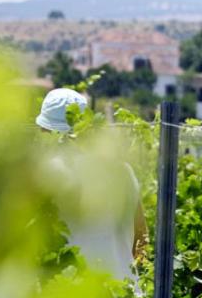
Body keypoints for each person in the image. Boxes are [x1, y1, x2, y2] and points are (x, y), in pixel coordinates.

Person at [37, 88, 148, 281]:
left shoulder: (45, 174)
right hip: (124, 296)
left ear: (47, 131)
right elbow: (141, 236)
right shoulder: (123, 171)